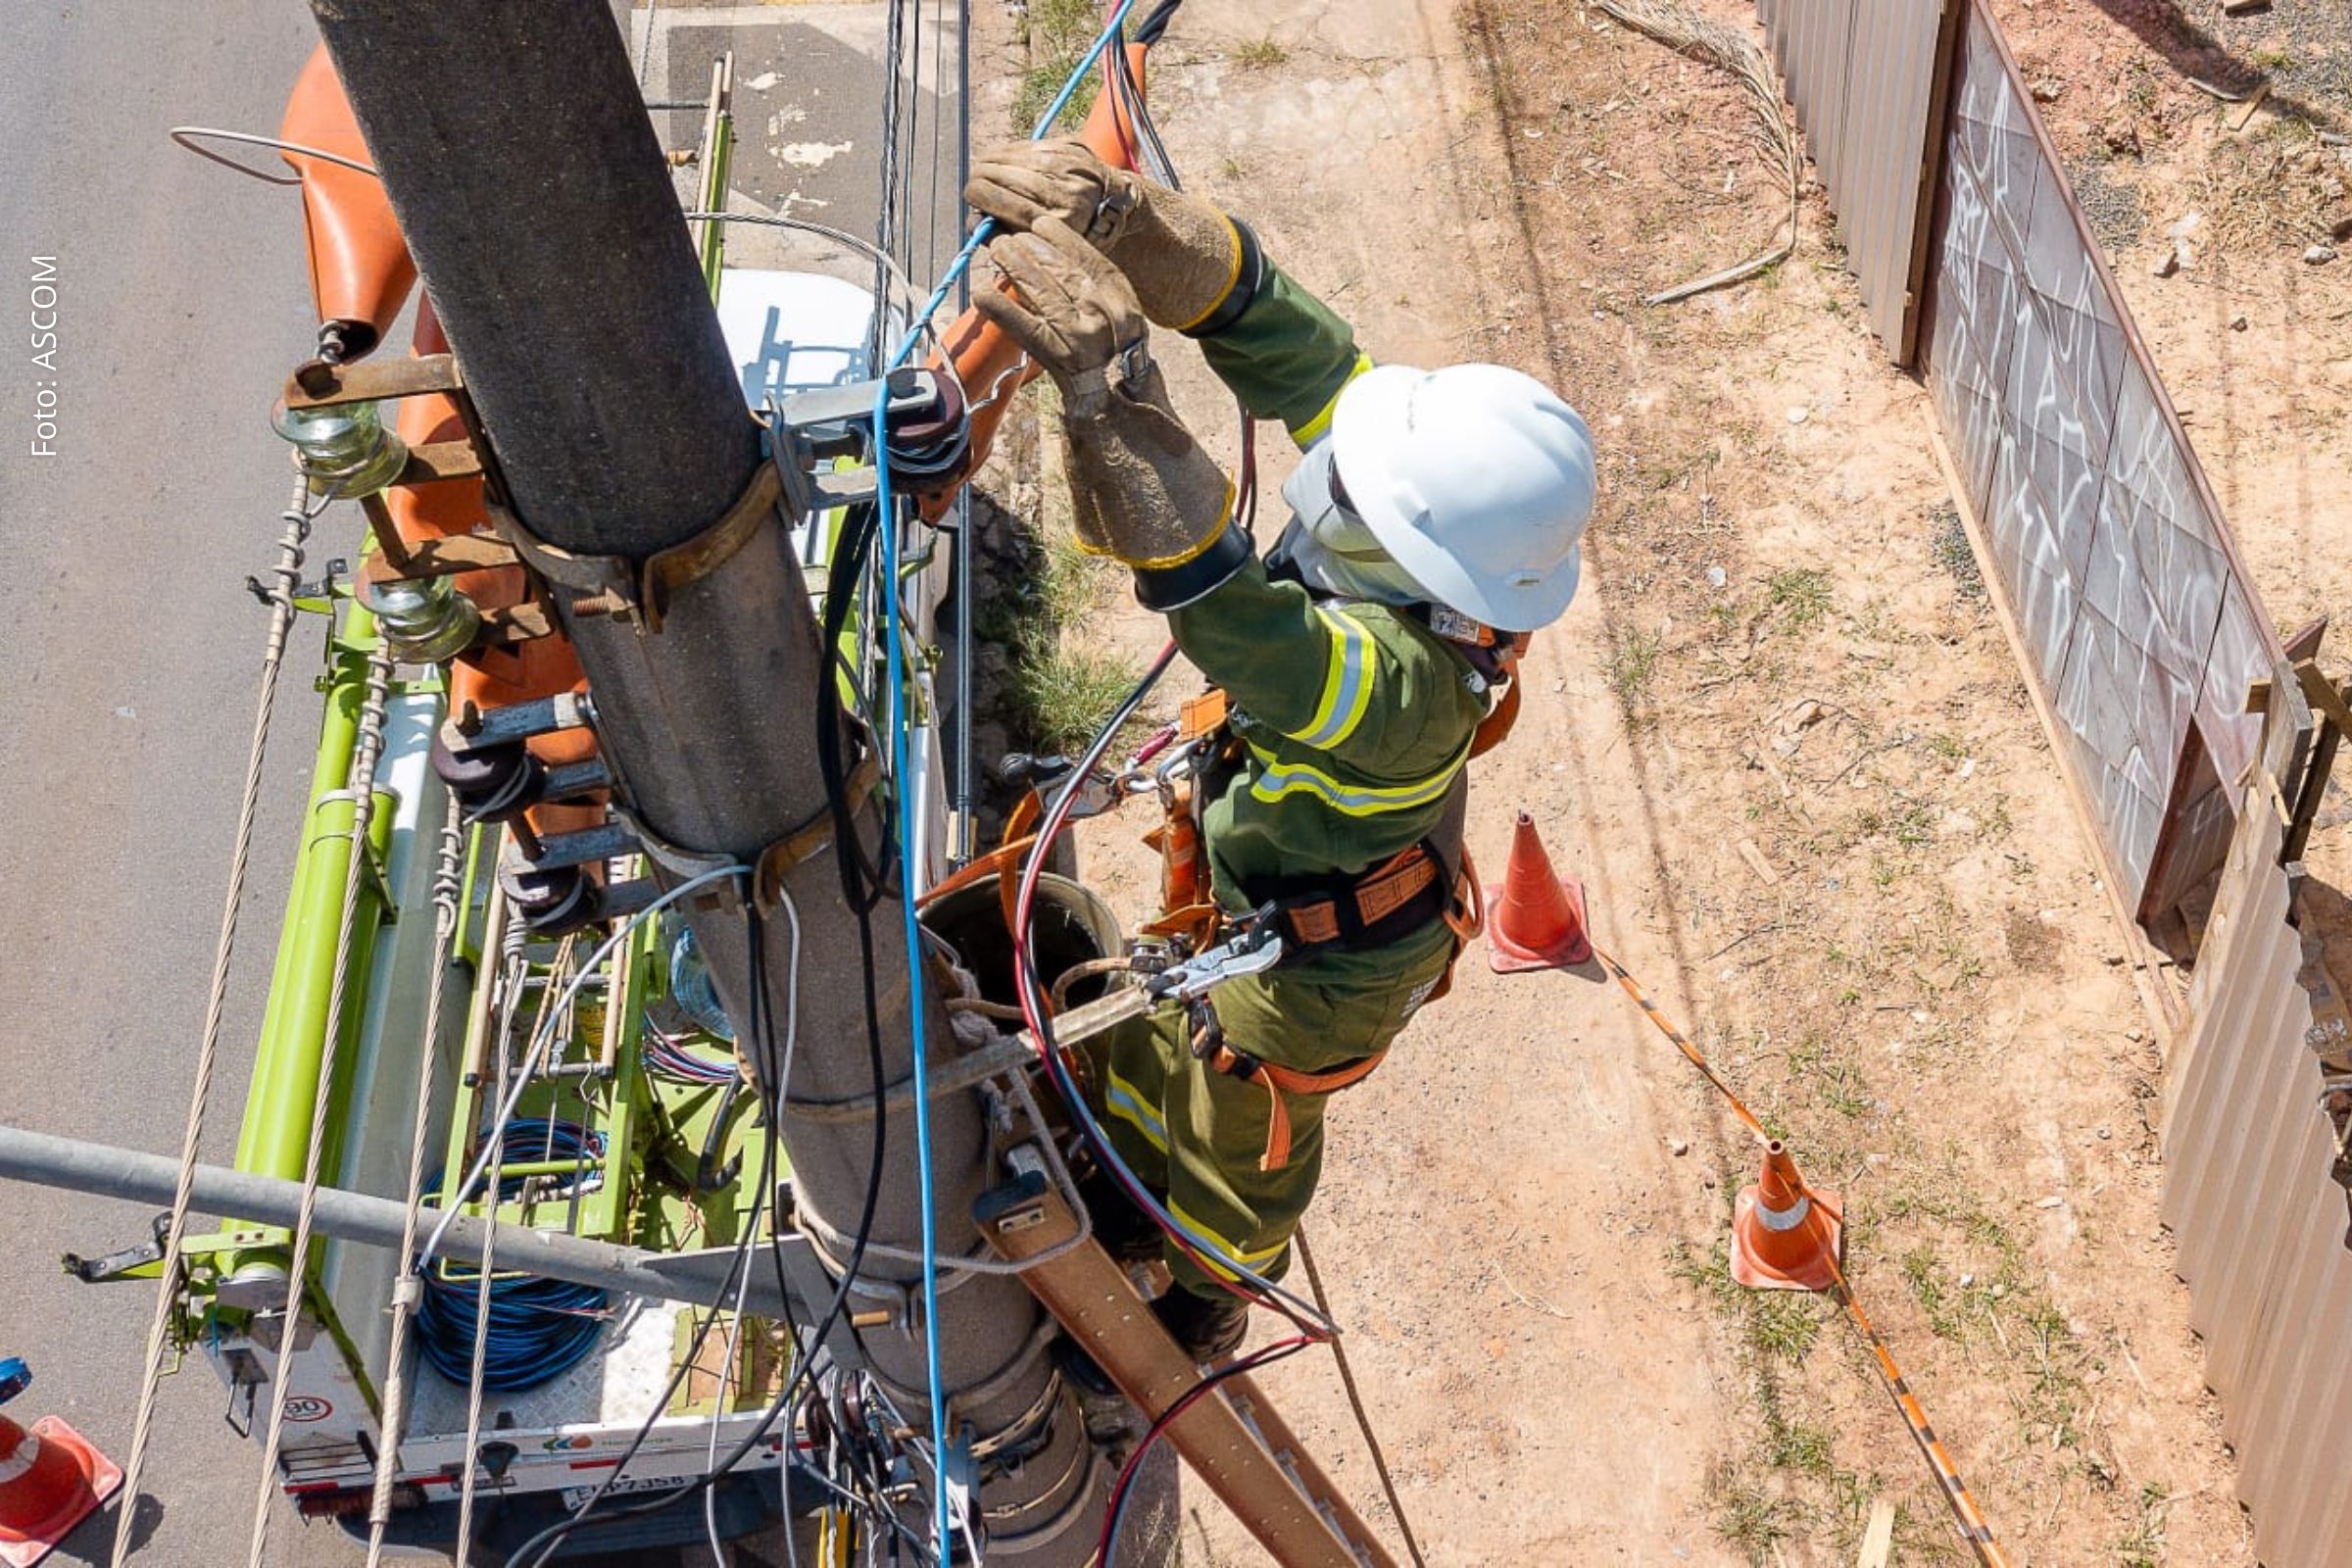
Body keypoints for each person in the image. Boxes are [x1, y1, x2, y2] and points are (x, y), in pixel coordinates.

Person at [967, 140, 1597, 1361]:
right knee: (1182, 1040)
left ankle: (1209, 1285)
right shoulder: (1421, 528)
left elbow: (1231, 617)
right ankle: (1147, 1143)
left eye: (1347, 490)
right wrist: (1131, 221)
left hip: (1324, 964)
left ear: (1422, 559)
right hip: (1297, 881)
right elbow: (1289, 337)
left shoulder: (1406, 687)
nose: (1325, 483)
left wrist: (1110, 399)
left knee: (1241, 1108)